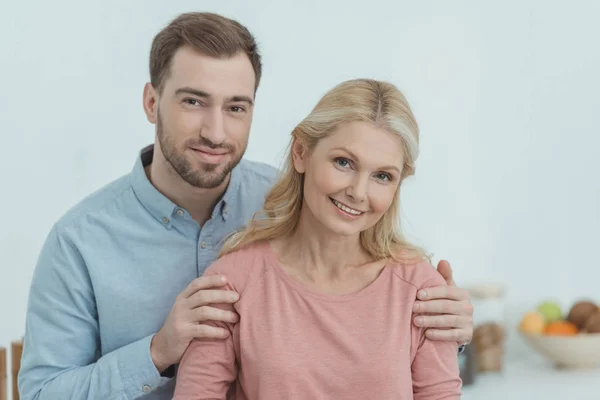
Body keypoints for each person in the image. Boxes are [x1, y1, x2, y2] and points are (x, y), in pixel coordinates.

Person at [18, 12, 472, 400]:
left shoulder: (309, 201)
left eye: (236, 107)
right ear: (152, 102)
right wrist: (158, 350)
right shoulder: (80, 240)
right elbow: (40, 394)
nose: (215, 132)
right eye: (194, 102)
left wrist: (449, 326)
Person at [171, 78, 463, 399]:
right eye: (343, 162)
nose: (358, 192)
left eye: (382, 176)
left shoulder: (422, 292)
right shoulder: (232, 283)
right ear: (301, 153)